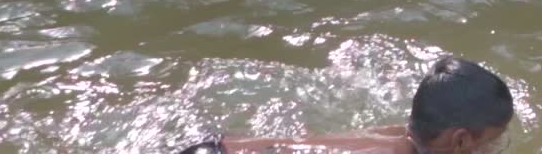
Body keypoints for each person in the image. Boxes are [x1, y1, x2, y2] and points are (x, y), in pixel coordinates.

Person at [175, 56, 514, 154]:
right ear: (460, 140)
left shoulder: (400, 135)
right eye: (491, 141)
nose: (494, 148)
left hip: (219, 145)